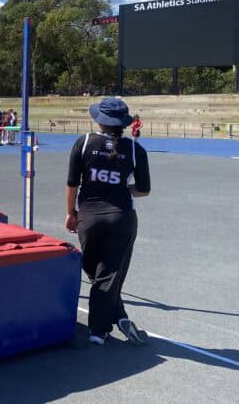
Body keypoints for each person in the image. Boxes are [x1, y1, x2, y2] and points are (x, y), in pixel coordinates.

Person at [65, 97, 151, 346]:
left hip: (88, 217)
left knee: (97, 272)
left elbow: (72, 184)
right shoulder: (136, 150)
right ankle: (108, 323)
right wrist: (121, 187)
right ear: (123, 124)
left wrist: (70, 212)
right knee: (108, 274)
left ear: (99, 121)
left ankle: (104, 325)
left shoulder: (84, 143)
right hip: (121, 217)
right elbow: (144, 190)